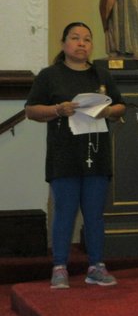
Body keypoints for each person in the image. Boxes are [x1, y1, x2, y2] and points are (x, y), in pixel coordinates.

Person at [24, 22, 127, 289]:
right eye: (75, 38)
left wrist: (107, 111)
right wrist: (57, 110)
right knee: (65, 212)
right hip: (64, 155)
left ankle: (96, 266)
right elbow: (31, 111)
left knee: (94, 214)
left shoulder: (101, 75)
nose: (81, 43)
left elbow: (120, 106)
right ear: (63, 44)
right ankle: (59, 267)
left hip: (96, 153)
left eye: (87, 39)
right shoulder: (50, 75)